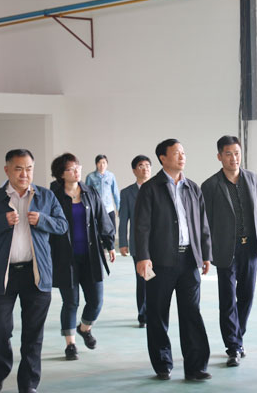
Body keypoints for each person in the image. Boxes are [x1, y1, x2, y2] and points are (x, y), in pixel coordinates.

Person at [0, 149, 68, 393]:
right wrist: (2, 222)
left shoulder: (46, 196)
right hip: (3, 276)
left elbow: (62, 225)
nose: (24, 174)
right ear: (7, 170)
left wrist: (43, 220)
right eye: (18, 169)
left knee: (33, 335)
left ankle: (28, 384)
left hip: (36, 275)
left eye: (29, 169)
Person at [134, 139, 212, 381]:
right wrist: (143, 257)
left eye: (183, 153)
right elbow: (141, 226)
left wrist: (205, 254)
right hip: (160, 262)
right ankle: (162, 364)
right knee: (158, 313)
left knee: (192, 313)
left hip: (189, 260)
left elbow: (202, 223)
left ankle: (196, 367)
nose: (182, 156)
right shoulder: (151, 188)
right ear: (162, 158)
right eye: (176, 153)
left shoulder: (193, 188)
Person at [201, 136, 257, 367]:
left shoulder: (252, 178)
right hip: (226, 249)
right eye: (228, 154)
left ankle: (238, 336)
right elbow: (205, 222)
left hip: (250, 247)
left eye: (236, 153)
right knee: (228, 299)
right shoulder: (210, 185)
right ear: (219, 156)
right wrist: (206, 252)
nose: (233, 158)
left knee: (247, 296)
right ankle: (233, 347)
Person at [50, 153, 116, 361]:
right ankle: (70, 344)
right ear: (61, 174)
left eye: (78, 167)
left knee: (96, 301)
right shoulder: (53, 196)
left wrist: (109, 243)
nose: (77, 171)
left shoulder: (89, 192)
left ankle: (84, 328)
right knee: (71, 302)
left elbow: (102, 218)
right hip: (65, 257)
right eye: (71, 169)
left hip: (90, 256)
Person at [119, 155, 152, 328]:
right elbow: (123, 219)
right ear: (134, 170)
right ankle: (143, 315)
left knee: (158, 281)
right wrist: (122, 242)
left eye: (147, 165)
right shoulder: (127, 193)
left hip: (159, 243)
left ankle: (156, 312)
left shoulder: (158, 188)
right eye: (141, 165)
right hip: (138, 244)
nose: (145, 168)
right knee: (144, 279)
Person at [85, 154, 120, 233]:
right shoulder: (90, 177)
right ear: (96, 164)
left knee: (112, 231)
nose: (102, 165)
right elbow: (87, 194)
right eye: (99, 163)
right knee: (97, 232)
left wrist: (118, 207)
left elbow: (115, 193)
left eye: (104, 162)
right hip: (96, 209)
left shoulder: (111, 176)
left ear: (107, 164)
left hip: (109, 208)